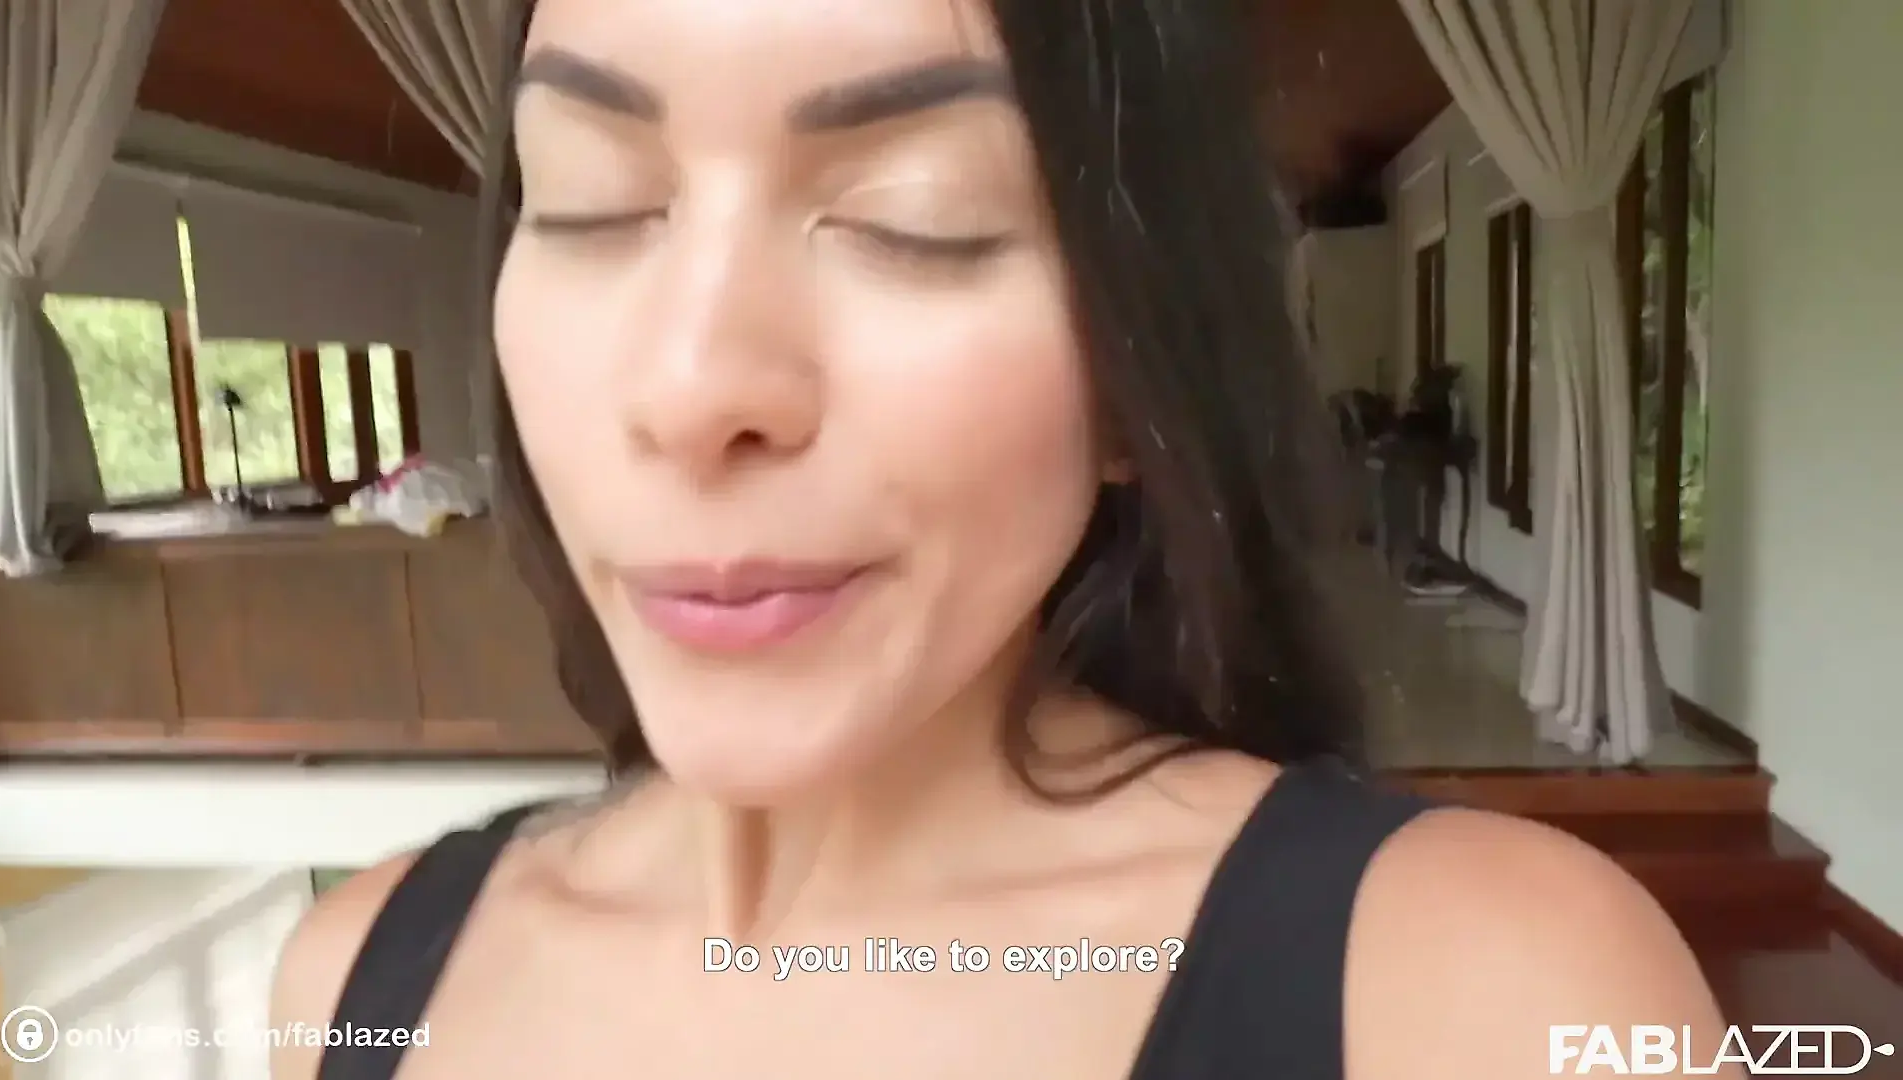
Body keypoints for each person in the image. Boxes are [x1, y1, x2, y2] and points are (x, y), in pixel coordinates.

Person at [272, 1, 1734, 1077]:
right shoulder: (350, 991)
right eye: (594, 205)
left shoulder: (1485, 1006)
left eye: (915, 219)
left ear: (1139, 371)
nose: (693, 388)